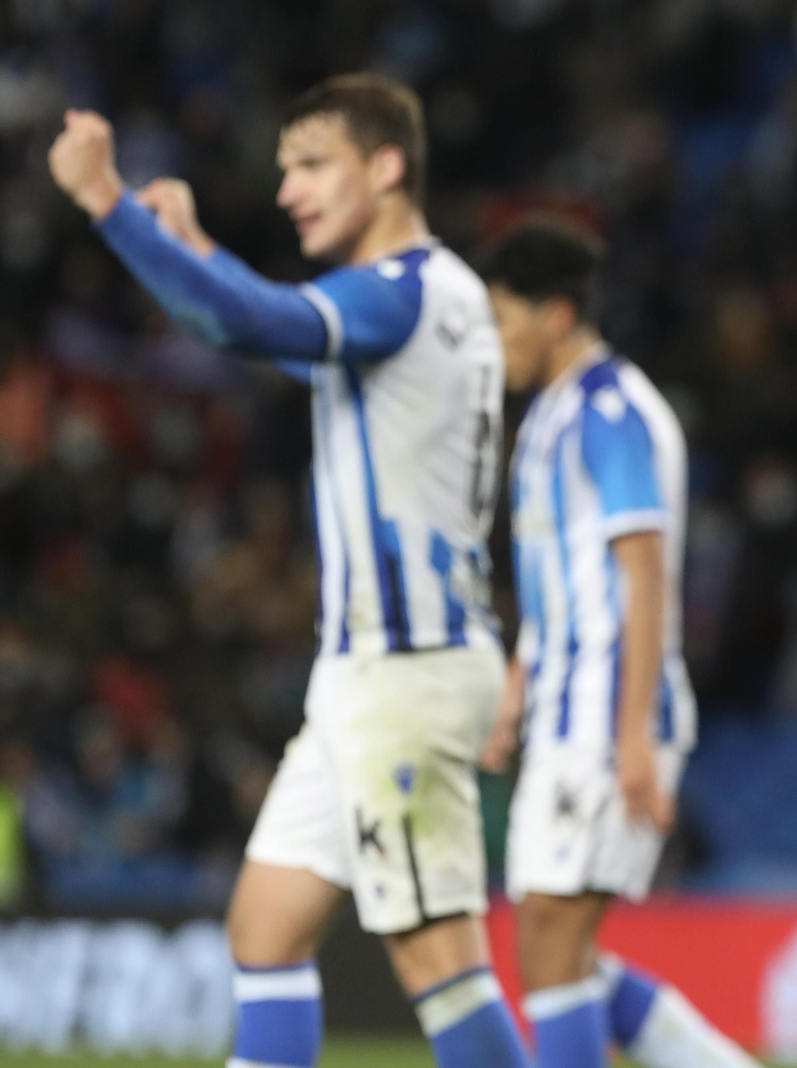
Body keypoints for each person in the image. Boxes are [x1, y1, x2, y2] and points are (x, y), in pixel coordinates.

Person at [48, 75, 528, 1068]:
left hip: (405, 674)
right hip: (370, 675)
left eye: (311, 165)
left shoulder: (401, 292)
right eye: (284, 170)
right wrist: (197, 250)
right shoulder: (432, 297)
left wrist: (107, 202)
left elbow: (251, 325)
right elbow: (290, 332)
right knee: (264, 929)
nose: (287, 191)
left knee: (437, 961)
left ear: (386, 166)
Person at [477, 219, 760, 1068]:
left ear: (556, 314)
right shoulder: (548, 418)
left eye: (504, 319)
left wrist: (632, 735)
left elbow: (645, 577)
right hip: (564, 713)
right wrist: (517, 690)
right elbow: (554, 581)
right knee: (552, 945)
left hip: (607, 716)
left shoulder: (614, 413)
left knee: (552, 939)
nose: (495, 340)